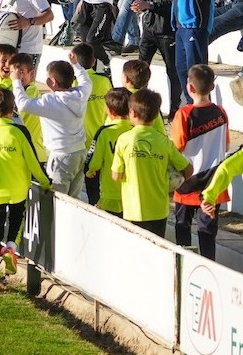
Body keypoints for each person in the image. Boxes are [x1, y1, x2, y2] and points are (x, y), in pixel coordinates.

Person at [0, 87, 51, 292]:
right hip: (17, 188)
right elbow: (33, 161)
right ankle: (11, 248)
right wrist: (45, 182)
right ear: (13, 108)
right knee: (16, 221)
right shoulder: (19, 131)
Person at [112, 89, 192, 238]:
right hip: (159, 210)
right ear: (156, 115)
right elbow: (188, 168)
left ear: (132, 113)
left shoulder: (124, 139)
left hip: (132, 210)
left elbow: (116, 175)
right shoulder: (164, 141)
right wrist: (173, 183)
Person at [13, 52, 92, 198]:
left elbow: (23, 104)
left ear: (52, 82)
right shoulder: (81, 95)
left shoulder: (50, 102)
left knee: (57, 201)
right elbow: (86, 81)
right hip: (80, 152)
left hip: (60, 157)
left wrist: (16, 81)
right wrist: (76, 65)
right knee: (74, 201)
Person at [171, 65, 229, 260]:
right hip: (214, 184)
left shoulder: (184, 114)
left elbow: (177, 147)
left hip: (187, 183)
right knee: (207, 234)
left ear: (189, 88)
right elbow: (227, 144)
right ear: (213, 87)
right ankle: (208, 270)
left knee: (182, 229)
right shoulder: (221, 112)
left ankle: (184, 269)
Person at [135, 0, 181, 120]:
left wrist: (150, 5)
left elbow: (173, 2)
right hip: (149, 27)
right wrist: (140, 6)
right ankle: (142, 109)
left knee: (172, 71)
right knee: (140, 70)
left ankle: (175, 110)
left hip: (167, 31)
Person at [85, 88, 133, 213]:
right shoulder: (136, 130)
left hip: (110, 194)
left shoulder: (105, 132)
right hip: (132, 194)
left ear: (110, 111)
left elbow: (95, 162)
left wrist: (90, 170)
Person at [71, 43, 113, 149]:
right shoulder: (104, 80)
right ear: (94, 61)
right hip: (101, 138)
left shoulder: (73, 84)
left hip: (79, 141)